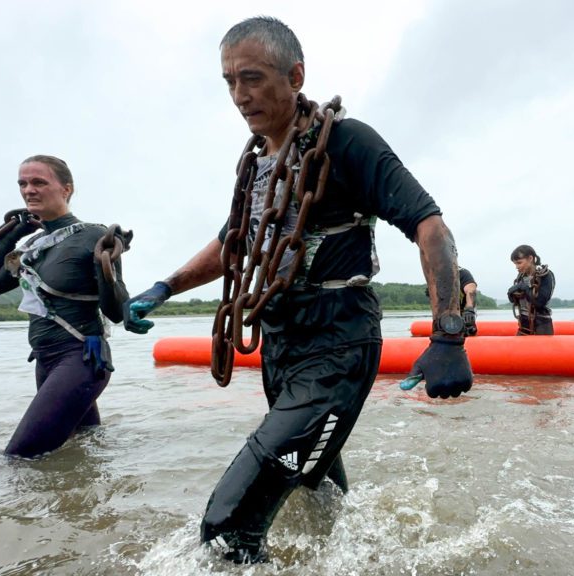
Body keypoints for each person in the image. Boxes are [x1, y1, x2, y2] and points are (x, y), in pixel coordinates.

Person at [122, 17, 472, 563]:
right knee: (314, 482)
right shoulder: (258, 161)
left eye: (253, 78)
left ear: (296, 75)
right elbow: (232, 242)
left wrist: (450, 333)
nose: (240, 95)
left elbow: (431, 227)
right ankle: (356, 556)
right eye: (230, 81)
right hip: (282, 343)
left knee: (229, 523)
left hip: (339, 340)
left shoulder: (347, 142)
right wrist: (165, 286)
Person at [0, 155, 128, 458]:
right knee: (84, 446)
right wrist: (14, 234)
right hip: (46, 360)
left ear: (66, 189)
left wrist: (105, 268)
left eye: (39, 182)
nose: (29, 189)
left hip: (81, 359)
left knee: (20, 457)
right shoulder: (33, 247)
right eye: (23, 183)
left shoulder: (92, 236)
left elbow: (116, 313)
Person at [507, 245, 556, 335]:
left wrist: (524, 287)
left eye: (519, 263)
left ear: (530, 258)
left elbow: (540, 302)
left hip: (541, 325)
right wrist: (511, 293)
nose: (517, 267)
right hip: (524, 325)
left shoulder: (545, 275)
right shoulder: (521, 277)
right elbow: (514, 301)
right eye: (515, 264)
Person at [424, 267, 478, 335]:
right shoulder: (436, 275)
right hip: (444, 314)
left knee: (468, 329)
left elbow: (471, 290)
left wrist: (470, 309)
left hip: (463, 314)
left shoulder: (462, 273)